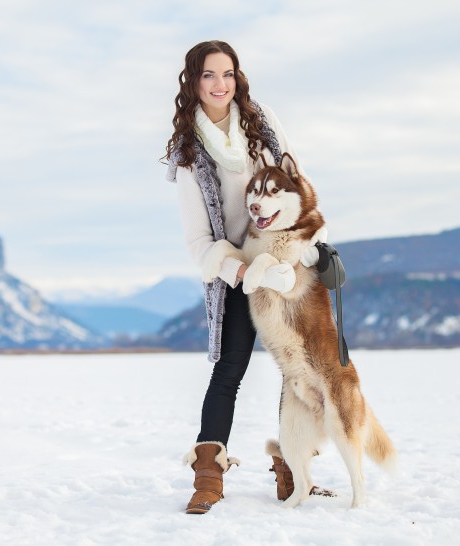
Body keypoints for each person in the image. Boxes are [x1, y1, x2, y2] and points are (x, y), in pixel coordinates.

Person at [164, 40, 326, 514]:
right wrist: (240, 274)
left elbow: (297, 182)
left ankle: (291, 472)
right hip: (235, 271)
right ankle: (208, 477)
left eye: (228, 73)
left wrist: (308, 243)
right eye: (209, 75)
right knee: (230, 369)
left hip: (283, 261)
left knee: (295, 368)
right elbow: (199, 243)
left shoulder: (262, 122)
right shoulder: (189, 154)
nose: (221, 84)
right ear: (193, 82)